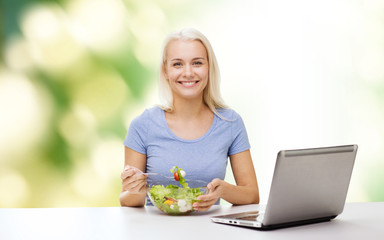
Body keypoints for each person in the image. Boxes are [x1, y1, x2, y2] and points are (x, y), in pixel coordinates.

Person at [120, 28, 259, 211]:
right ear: (165, 71)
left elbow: (252, 195)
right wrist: (135, 189)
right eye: (177, 64)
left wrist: (224, 191)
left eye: (197, 63)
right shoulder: (142, 126)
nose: (188, 73)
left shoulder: (230, 123)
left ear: (209, 68)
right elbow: (127, 200)